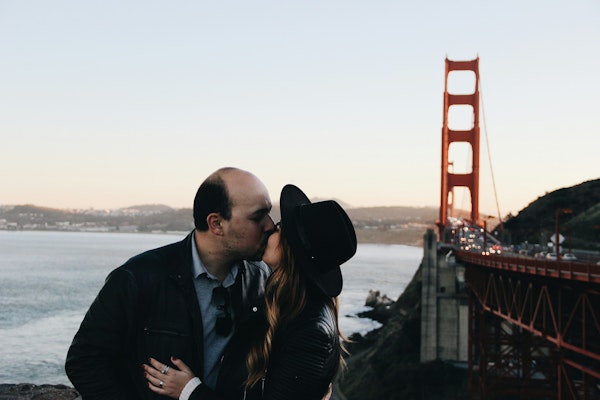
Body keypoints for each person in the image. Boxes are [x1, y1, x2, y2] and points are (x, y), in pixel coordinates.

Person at [65, 167, 275, 399]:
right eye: (258, 217)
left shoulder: (261, 278)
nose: (270, 225)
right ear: (216, 224)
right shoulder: (138, 278)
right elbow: (84, 361)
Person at [143, 184, 357, 400]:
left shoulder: (311, 331)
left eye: (281, 228)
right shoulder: (284, 300)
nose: (271, 229)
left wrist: (190, 391)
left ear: (292, 249)